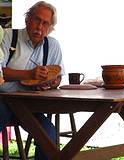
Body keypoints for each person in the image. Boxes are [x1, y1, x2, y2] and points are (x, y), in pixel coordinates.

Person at [0, 1, 65, 160]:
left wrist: (49, 83)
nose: (39, 26)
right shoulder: (9, 36)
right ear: (27, 19)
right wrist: (29, 74)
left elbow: (58, 77)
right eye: (36, 20)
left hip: (30, 104)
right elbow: (0, 72)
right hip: (3, 99)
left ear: (50, 27)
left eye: (45, 23)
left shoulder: (53, 45)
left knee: (49, 135)